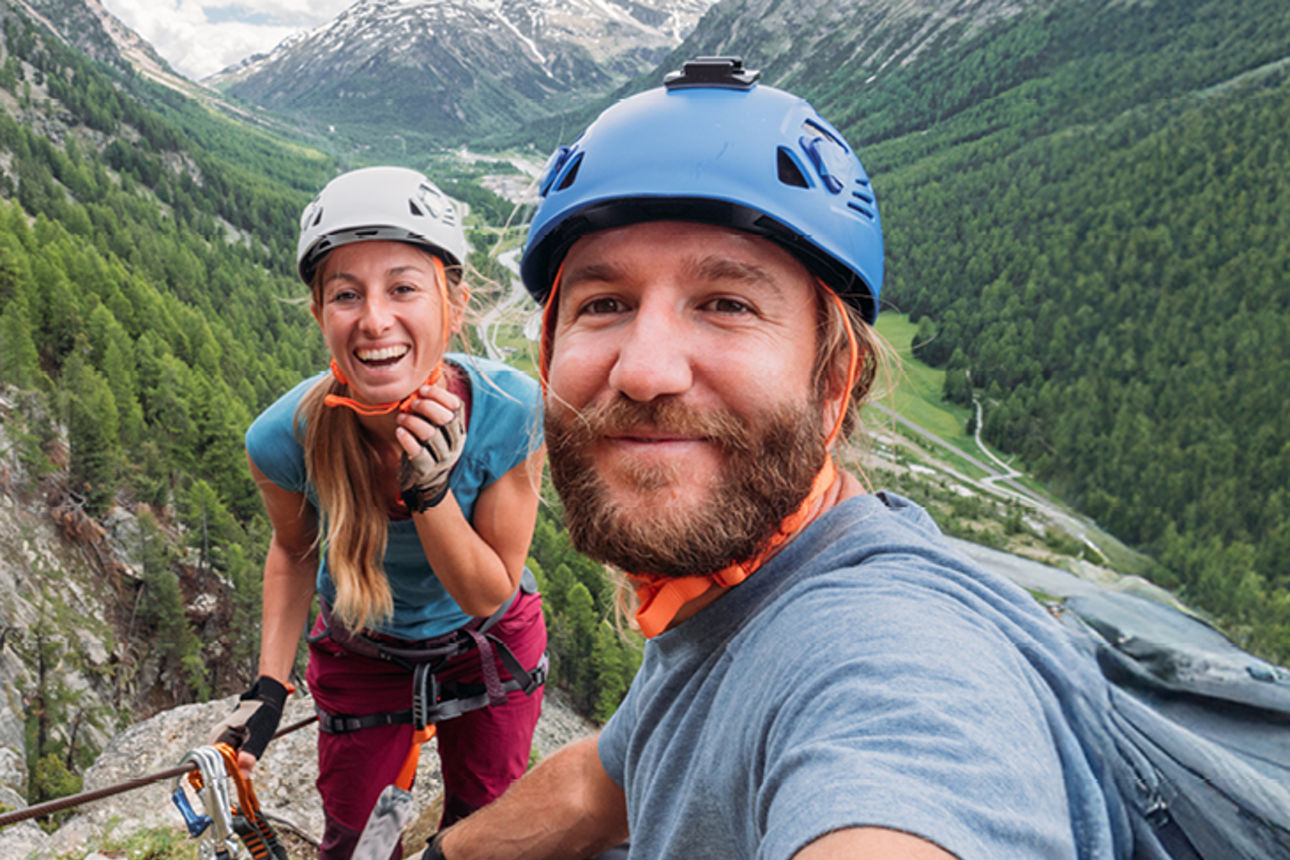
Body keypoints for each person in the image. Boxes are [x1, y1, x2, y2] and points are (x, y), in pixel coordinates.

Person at [422, 57, 1141, 859]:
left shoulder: (889, 659)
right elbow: (605, 782)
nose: (645, 370)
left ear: (833, 382)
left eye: (727, 304)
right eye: (605, 304)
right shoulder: (733, 600)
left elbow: (904, 779)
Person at [210, 166, 548, 860]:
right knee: (357, 841)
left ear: (452, 303)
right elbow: (293, 553)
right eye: (345, 294)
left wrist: (430, 494)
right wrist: (269, 689)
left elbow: (489, 591)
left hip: (486, 638)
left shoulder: (511, 412)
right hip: (366, 648)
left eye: (403, 287)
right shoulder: (282, 439)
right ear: (318, 314)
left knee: (485, 831)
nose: (374, 319)